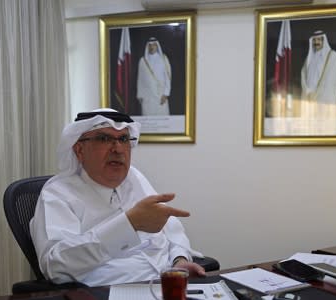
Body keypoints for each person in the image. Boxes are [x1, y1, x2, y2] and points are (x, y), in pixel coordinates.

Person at [29, 108, 205, 287]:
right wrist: (128, 225)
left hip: (166, 286)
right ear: (79, 150)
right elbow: (55, 266)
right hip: (109, 291)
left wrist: (179, 260)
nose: (118, 149)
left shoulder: (135, 177)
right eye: (104, 139)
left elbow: (171, 229)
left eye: (123, 139)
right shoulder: (58, 193)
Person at [300, 30, 336, 119]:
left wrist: (316, 94)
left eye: (319, 40)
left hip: (325, 101)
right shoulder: (309, 57)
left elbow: (330, 80)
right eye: (314, 40)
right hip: (310, 99)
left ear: (323, 41)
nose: (316, 42)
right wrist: (307, 91)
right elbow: (303, 74)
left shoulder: (332, 55)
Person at [137, 37, 172, 116]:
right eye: (150, 45)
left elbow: (168, 77)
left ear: (157, 46)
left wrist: (166, 94)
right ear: (147, 47)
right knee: (148, 120)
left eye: (154, 45)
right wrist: (140, 95)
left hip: (160, 95)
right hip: (147, 96)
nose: (152, 47)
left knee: (162, 120)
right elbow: (140, 79)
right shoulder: (143, 61)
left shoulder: (163, 58)